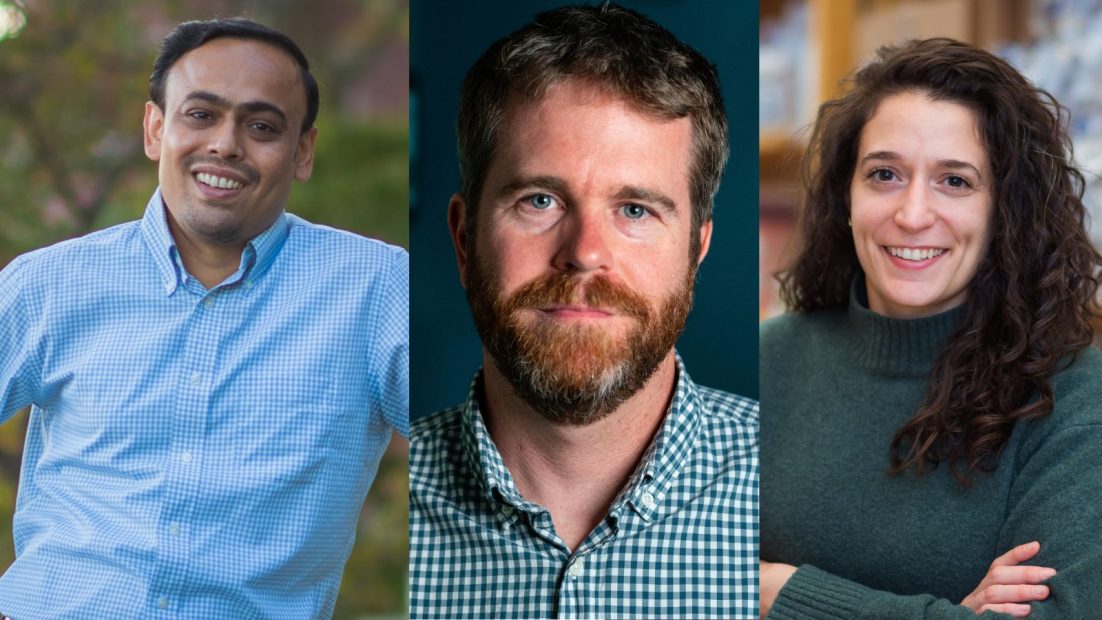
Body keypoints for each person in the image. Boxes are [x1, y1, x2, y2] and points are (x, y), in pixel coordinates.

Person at [0, 18, 408, 618]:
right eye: (200, 115)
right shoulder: (48, 285)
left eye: (262, 126)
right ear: (155, 128)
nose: (225, 144)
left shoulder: (376, 292)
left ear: (302, 152)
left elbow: (493, 455)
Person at [408, 4, 758, 619]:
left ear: (696, 250)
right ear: (464, 240)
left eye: (635, 210)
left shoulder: (797, 498)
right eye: (540, 200)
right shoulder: (354, 514)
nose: (585, 253)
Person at [760, 38, 1102, 619]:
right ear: (847, 194)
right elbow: (671, 578)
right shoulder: (768, 359)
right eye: (885, 174)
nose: (913, 214)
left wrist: (781, 596)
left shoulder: (1071, 396)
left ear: (1004, 211)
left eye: (956, 181)